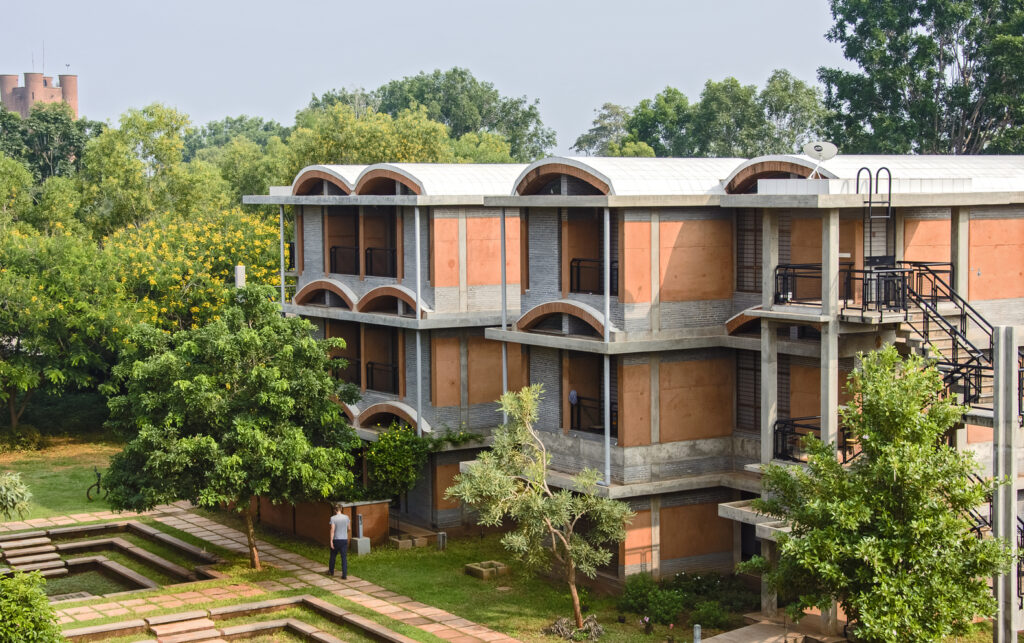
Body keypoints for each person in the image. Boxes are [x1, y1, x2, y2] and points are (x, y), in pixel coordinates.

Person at [328, 503, 350, 578]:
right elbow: (349, 528)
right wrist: (345, 532)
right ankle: (344, 575)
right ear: (341, 509)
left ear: (335, 510)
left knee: (333, 556)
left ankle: (331, 571)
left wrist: (331, 541)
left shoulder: (333, 518)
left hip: (336, 540)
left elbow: (332, 530)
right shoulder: (346, 517)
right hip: (344, 540)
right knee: (344, 557)